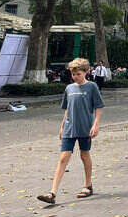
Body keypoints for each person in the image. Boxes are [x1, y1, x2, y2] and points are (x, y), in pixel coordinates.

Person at [37, 58, 104, 204]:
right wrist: (62, 126)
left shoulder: (92, 86)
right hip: (69, 128)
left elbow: (98, 106)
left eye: (78, 74)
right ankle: (52, 193)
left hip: (85, 128)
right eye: (73, 74)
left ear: (86, 72)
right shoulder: (69, 88)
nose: (75, 77)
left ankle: (88, 185)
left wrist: (96, 124)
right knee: (63, 158)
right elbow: (67, 109)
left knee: (84, 155)